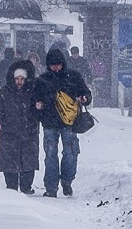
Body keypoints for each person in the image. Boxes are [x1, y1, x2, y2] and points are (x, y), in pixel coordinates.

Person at [34, 48, 92, 197]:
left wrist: (84, 98)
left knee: (69, 153)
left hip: (68, 123)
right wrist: (38, 106)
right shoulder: (43, 79)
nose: (56, 67)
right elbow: (35, 99)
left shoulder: (73, 76)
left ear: (63, 63)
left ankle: (66, 182)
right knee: (52, 155)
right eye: (53, 65)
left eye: (58, 64)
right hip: (51, 123)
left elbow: (86, 93)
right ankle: (52, 187)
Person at [0, 59, 40, 194]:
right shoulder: (5, 91)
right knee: (9, 160)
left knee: (28, 160)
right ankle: (11, 187)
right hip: (9, 131)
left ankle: (26, 187)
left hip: (28, 130)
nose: (19, 81)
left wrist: (39, 107)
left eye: (22, 79)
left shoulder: (33, 91)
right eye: (17, 78)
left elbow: (39, 108)